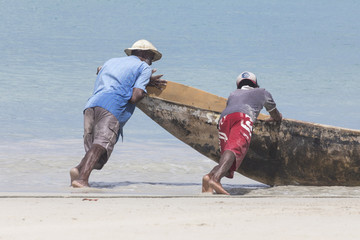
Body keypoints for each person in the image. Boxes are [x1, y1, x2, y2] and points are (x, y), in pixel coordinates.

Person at [70, 39, 166, 188]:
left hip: (91, 106)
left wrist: (144, 80)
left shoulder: (110, 62)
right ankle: (82, 179)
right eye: (151, 58)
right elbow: (136, 95)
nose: (151, 63)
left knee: (97, 156)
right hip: (112, 107)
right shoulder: (143, 67)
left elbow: (101, 71)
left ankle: (77, 170)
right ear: (144, 54)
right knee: (100, 146)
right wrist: (144, 89)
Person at [202, 71, 282, 195]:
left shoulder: (233, 94)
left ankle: (209, 177)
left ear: (239, 85)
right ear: (255, 83)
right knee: (234, 150)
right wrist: (278, 118)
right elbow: (275, 114)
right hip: (243, 117)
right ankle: (216, 179)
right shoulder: (262, 92)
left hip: (223, 120)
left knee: (227, 153)